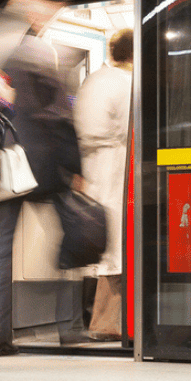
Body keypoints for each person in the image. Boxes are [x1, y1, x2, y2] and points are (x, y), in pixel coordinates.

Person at [0, 0, 84, 356]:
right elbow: (59, 115)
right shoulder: (40, 54)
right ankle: (69, 329)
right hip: (45, 163)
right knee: (73, 237)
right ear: (33, 18)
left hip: (10, 163)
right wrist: (76, 167)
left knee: (4, 250)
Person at [74, 28, 133, 341]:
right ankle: (108, 323)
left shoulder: (93, 79)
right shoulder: (125, 83)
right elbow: (130, 128)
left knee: (102, 247)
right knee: (117, 249)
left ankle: (94, 320)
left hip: (92, 169)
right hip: (116, 169)